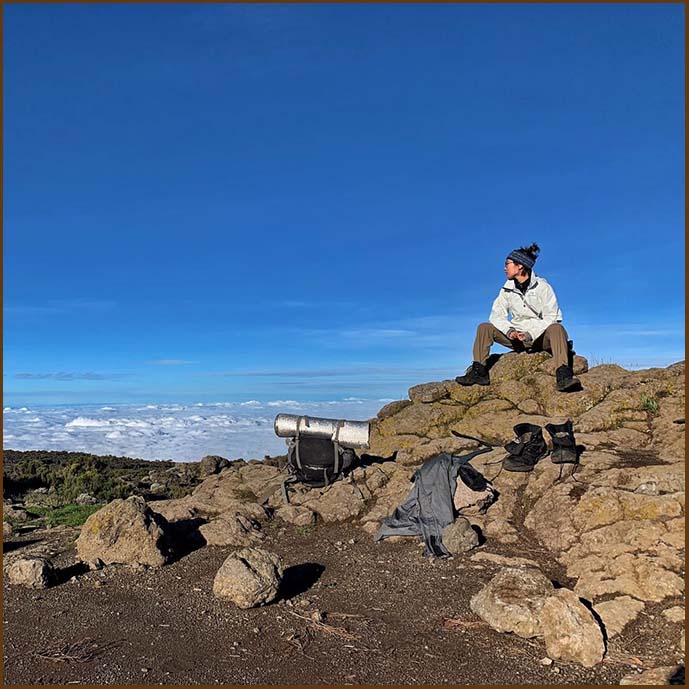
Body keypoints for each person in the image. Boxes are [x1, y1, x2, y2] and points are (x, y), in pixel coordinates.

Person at [456, 243, 581, 392]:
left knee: (557, 328)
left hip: (539, 339)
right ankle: (479, 372)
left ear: (520, 266)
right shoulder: (506, 289)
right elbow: (496, 316)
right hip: (516, 339)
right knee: (484, 328)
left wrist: (530, 334)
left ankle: (563, 375)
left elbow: (552, 317)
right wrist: (510, 331)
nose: (504, 268)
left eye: (507, 264)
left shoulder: (543, 287)